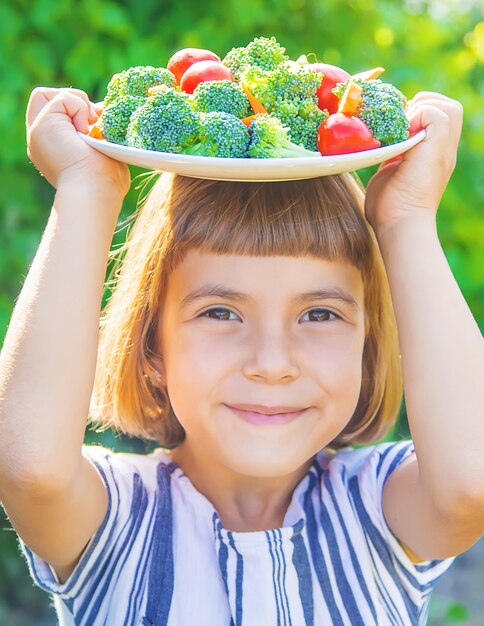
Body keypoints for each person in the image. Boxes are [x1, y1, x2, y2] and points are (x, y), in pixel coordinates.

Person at [0, 86, 482, 626]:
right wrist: (85, 189)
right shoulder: (113, 517)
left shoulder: (376, 507)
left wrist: (408, 220)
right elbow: (29, 468)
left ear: (368, 347)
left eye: (319, 314)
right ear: (152, 345)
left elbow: (473, 480)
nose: (272, 363)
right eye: (221, 313)